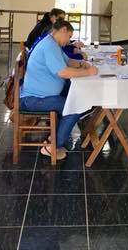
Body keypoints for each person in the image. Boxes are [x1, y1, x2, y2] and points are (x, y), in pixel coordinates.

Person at [20, 19, 97, 161]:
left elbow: (68, 61)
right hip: (33, 99)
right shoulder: (49, 46)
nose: (68, 41)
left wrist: (82, 63)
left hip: (41, 95)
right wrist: (88, 72)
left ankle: (55, 137)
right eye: (69, 36)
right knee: (74, 108)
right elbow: (63, 72)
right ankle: (52, 147)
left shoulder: (52, 43)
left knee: (75, 97)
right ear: (63, 30)